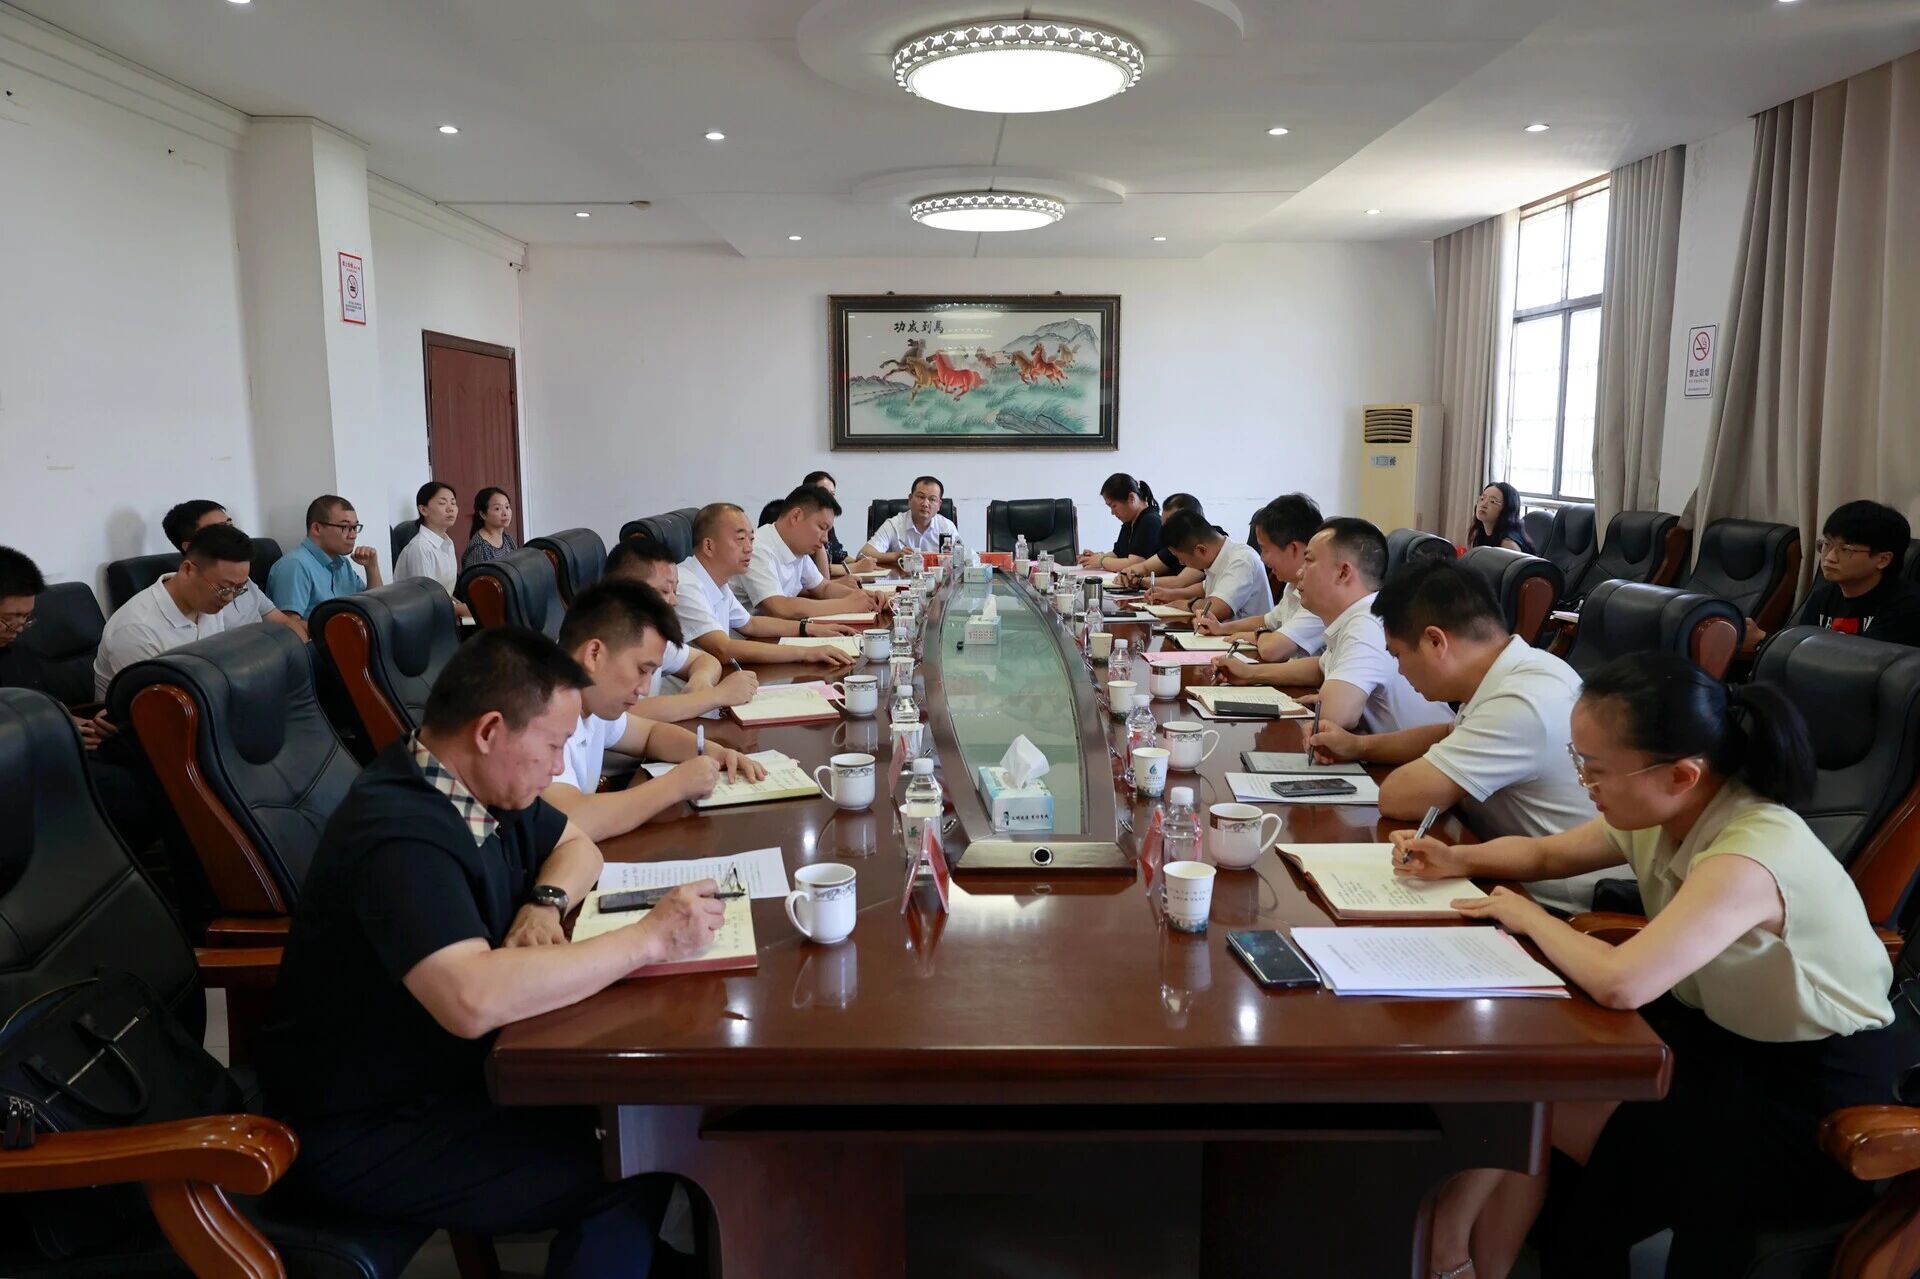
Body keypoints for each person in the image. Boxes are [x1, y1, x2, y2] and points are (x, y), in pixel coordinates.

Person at [1396, 652, 1915, 1279]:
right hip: (1718, 1038)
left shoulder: (1751, 854)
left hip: (1806, 1098)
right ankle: (1465, 1260)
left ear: (1682, 774)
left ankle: (1457, 1255)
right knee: (1525, 1080)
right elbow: (1544, 856)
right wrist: (1457, 861)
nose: (1584, 783)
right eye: (1579, 761)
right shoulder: (1666, 809)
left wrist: (1526, 915)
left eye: (1595, 769)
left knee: (1535, 1104)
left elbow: (1623, 982)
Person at [260, 628, 723, 1278]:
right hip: (366, 1125)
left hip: (448, 1076)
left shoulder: (471, 784)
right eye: (554, 746)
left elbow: (578, 843)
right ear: (489, 731)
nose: (559, 768)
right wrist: (649, 939)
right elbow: (472, 998)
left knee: (642, 1121)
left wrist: (545, 901)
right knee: (629, 1155)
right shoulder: (399, 832)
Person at [1305, 560, 1608, 913]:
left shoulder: (1523, 700)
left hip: (1553, 904)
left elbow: (1400, 798)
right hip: (1500, 870)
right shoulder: (1516, 668)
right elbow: (1449, 732)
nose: (1399, 669)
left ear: (1435, 641)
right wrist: (1357, 745)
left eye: (1398, 655)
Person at [540, 580, 764, 842]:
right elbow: (571, 820)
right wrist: (676, 785)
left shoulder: (592, 700)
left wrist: (718, 754)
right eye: (641, 670)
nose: (645, 688)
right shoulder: (542, 708)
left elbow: (650, 734)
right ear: (594, 654)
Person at [1219, 518, 1453, 734]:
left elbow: (1336, 716)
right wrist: (1250, 673)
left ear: (1343, 573)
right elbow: (1321, 667)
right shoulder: (1356, 615)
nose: (1300, 572)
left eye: (1309, 561)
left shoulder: (1368, 623)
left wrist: (1331, 700)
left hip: (1422, 759)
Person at [676, 504, 858, 670]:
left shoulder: (718, 581)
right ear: (709, 546)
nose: (749, 548)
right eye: (740, 539)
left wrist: (811, 628)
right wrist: (806, 652)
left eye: (751, 539)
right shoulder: (685, 585)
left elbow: (751, 624)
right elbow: (723, 648)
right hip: (685, 692)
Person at [95, 523, 261, 698]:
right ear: (188, 570)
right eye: (223, 588)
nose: (229, 598)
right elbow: (154, 705)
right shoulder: (137, 630)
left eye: (239, 588)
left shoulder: (208, 604)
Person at [603, 541, 758, 722]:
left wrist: (700, 680)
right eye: (665, 591)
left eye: (675, 590)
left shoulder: (651, 635)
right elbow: (623, 716)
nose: (674, 601)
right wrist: (716, 696)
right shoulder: (605, 641)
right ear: (626, 591)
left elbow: (704, 660)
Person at [1747, 500, 1920, 649]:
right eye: (1827, 544)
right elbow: (1801, 652)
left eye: (1846, 549)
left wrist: (1763, 640)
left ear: (1882, 560)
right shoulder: (1822, 598)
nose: (1829, 557)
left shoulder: (1907, 605)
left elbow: (1864, 664)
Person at [1197, 495, 1327, 665]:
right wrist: (1221, 628)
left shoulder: (1321, 595)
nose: (1262, 558)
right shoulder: (1293, 585)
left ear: (1293, 548)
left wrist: (1258, 635)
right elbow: (1268, 620)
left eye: (1265, 549)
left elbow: (1272, 649)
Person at [162, 500, 308, 639]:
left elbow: (284, 622)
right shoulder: (203, 600)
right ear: (190, 547)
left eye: (230, 525)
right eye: (220, 529)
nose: (232, 533)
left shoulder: (241, 579)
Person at [742, 485, 884, 620]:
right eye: (822, 528)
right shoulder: (759, 548)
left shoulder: (797, 548)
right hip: (746, 636)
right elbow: (779, 608)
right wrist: (846, 605)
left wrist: (867, 597)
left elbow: (823, 588)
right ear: (796, 517)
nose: (825, 539)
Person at [268, 494, 382, 615]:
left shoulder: (343, 563)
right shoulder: (294, 565)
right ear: (317, 529)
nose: (353, 535)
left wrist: (371, 567)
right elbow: (289, 623)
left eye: (355, 527)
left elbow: (376, 608)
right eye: (345, 527)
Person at [1158, 509, 1274, 623]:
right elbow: (1205, 588)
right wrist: (1170, 594)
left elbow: (1217, 609)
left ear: (1201, 550)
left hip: (1248, 635)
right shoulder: (1221, 554)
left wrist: (1189, 604)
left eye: (1181, 558)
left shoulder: (1242, 560)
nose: (1181, 563)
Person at [393, 481, 473, 620]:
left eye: (453, 503)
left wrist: (459, 606)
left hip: (441, 613)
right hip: (417, 619)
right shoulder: (420, 547)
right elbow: (425, 600)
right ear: (423, 510)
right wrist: (459, 610)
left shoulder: (447, 543)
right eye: (442, 503)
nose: (450, 508)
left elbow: (445, 592)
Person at [1114, 492, 1210, 593]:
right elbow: (1145, 567)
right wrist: (1128, 573)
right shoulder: (1175, 543)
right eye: (1163, 525)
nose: (1164, 531)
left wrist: (1139, 581)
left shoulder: (1207, 541)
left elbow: (1180, 583)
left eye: (1169, 525)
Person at [856, 476, 959, 566]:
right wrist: (896, 556)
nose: (925, 504)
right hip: (901, 580)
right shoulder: (895, 524)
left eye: (932, 499)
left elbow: (959, 559)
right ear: (910, 499)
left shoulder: (946, 527)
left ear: (939, 505)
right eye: (921, 497)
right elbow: (862, 555)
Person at [1079, 474, 1162, 573]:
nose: (1112, 512)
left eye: (1114, 506)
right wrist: (1096, 557)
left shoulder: (1150, 521)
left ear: (1131, 498)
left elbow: (1134, 564)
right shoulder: (1129, 522)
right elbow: (1117, 554)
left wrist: (1101, 561)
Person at [801, 470, 876, 578]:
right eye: (825, 493)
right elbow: (817, 570)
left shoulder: (827, 524)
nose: (830, 499)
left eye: (832, 494)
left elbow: (837, 554)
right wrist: (857, 567)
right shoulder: (805, 526)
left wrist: (860, 561)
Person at [462, 486, 520, 569]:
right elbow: (477, 577)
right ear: (483, 514)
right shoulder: (480, 548)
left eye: (507, 507)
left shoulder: (508, 539)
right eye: (497, 509)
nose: (505, 513)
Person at [1467, 481, 1532, 553]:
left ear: (1506, 509)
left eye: (1492, 501)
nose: (1483, 504)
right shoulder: (1481, 533)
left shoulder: (1508, 545)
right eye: (1482, 498)